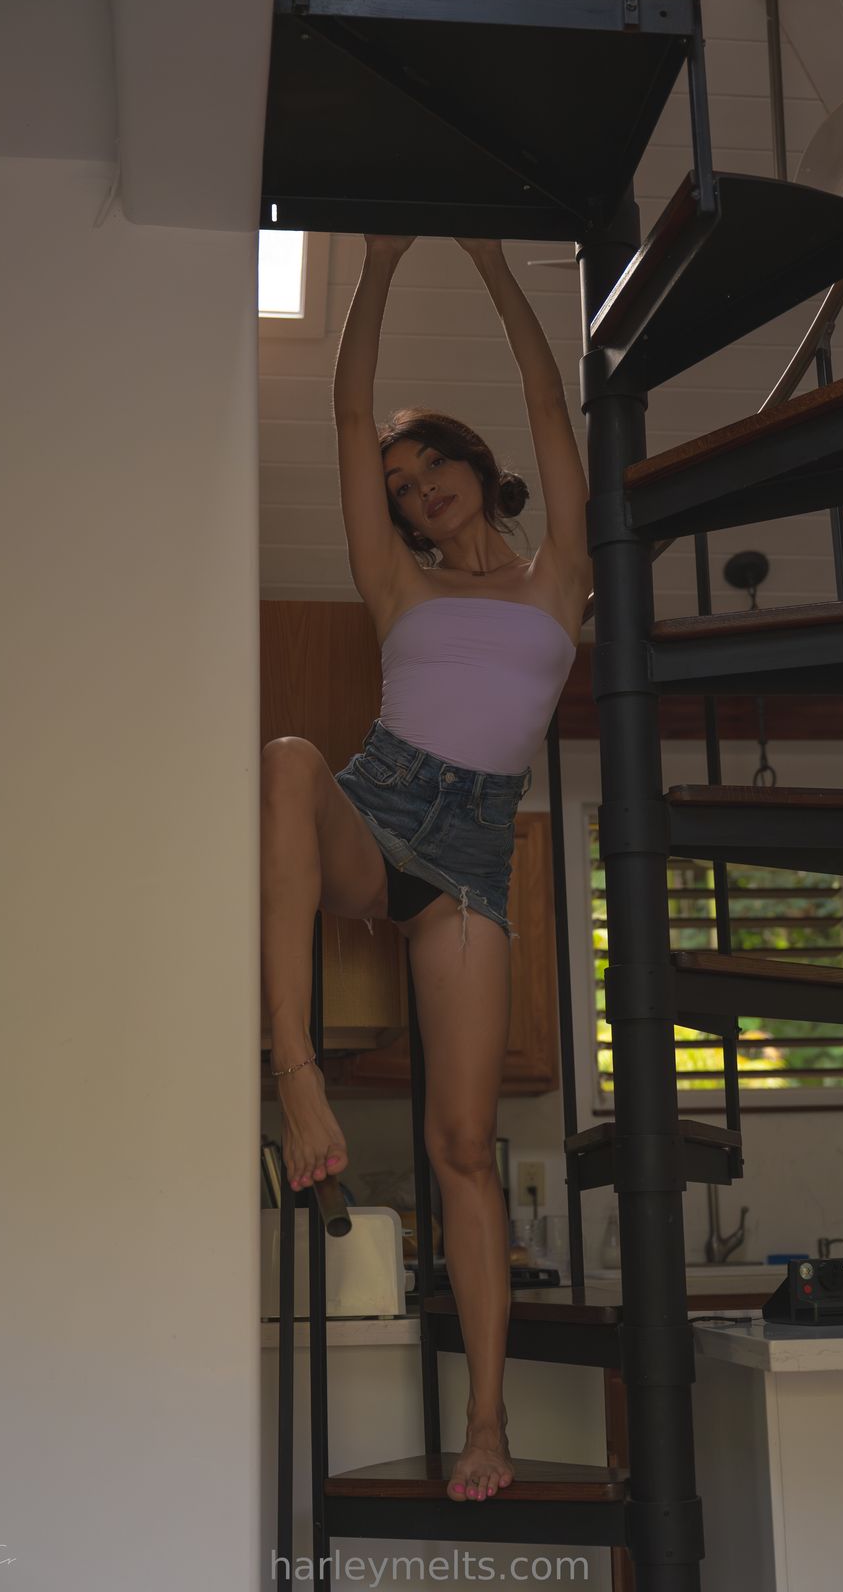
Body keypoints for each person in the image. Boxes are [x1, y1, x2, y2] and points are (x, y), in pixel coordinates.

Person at [261, 233, 590, 1504]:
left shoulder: (557, 578)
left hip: (470, 859)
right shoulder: (393, 585)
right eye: (397, 485)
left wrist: (493, 264)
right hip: (378, 803)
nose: (414, 491)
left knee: (463, 1145)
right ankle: (297, 1075)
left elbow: (549, 399)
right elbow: (348, 411)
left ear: (471, 463)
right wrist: (378, 264)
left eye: (430, 465)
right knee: (288, 759)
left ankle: (485, 1422)